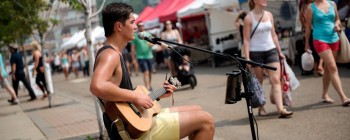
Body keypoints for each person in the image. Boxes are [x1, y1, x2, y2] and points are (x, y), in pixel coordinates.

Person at [90, 2, 214, 140]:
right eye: (132, 22)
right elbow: (97, 86)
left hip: (132, 123)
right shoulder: (110, 55)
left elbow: (123, 101)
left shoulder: (114, 52)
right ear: (119, 26)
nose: (136, 27)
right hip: (132, 133)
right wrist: (136, 96)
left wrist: (158, 94)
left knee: (196, 108)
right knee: (206, 120)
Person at [243, 0, 293, 118]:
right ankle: (261, 108)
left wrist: (280, 51)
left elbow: (274, 35)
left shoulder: (269, 15)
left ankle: (280, 109)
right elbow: (246, 40)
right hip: (256, 53)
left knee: (276, 80)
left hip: (271, 50)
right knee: (259, 82)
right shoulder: (248, 18)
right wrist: (247, 58)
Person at [305, 0, 350, 106]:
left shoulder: (332, 4)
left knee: (327, 68)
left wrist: (337, 25)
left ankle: (324, 94)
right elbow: (307, 27)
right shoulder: (311, 8)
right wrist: (306, 44)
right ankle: (343, 97)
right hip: (320, 40)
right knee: (333, 68)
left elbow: (337, 19)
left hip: (334, 38)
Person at [299, 0, 325, 76]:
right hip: (317, 30)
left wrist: (305, 26)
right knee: (322, 49)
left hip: (310, 32)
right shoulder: (313, 6)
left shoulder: (304, 7)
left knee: (313, 51)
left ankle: (316, 69)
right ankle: (320, 66)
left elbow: (301, 18)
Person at [131, 22, 154, 90]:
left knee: (150, 72)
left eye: (142, 25)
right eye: (139, 26)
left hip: (149, 56)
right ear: (137, 27)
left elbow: (153, 42)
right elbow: (132, 48)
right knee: (145, 72)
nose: (141, 27)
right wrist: (133, 59)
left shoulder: (148, 34)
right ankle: (147, 87)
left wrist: (151, 44)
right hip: (140, 57)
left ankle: (149, 85)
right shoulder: (135, 35)